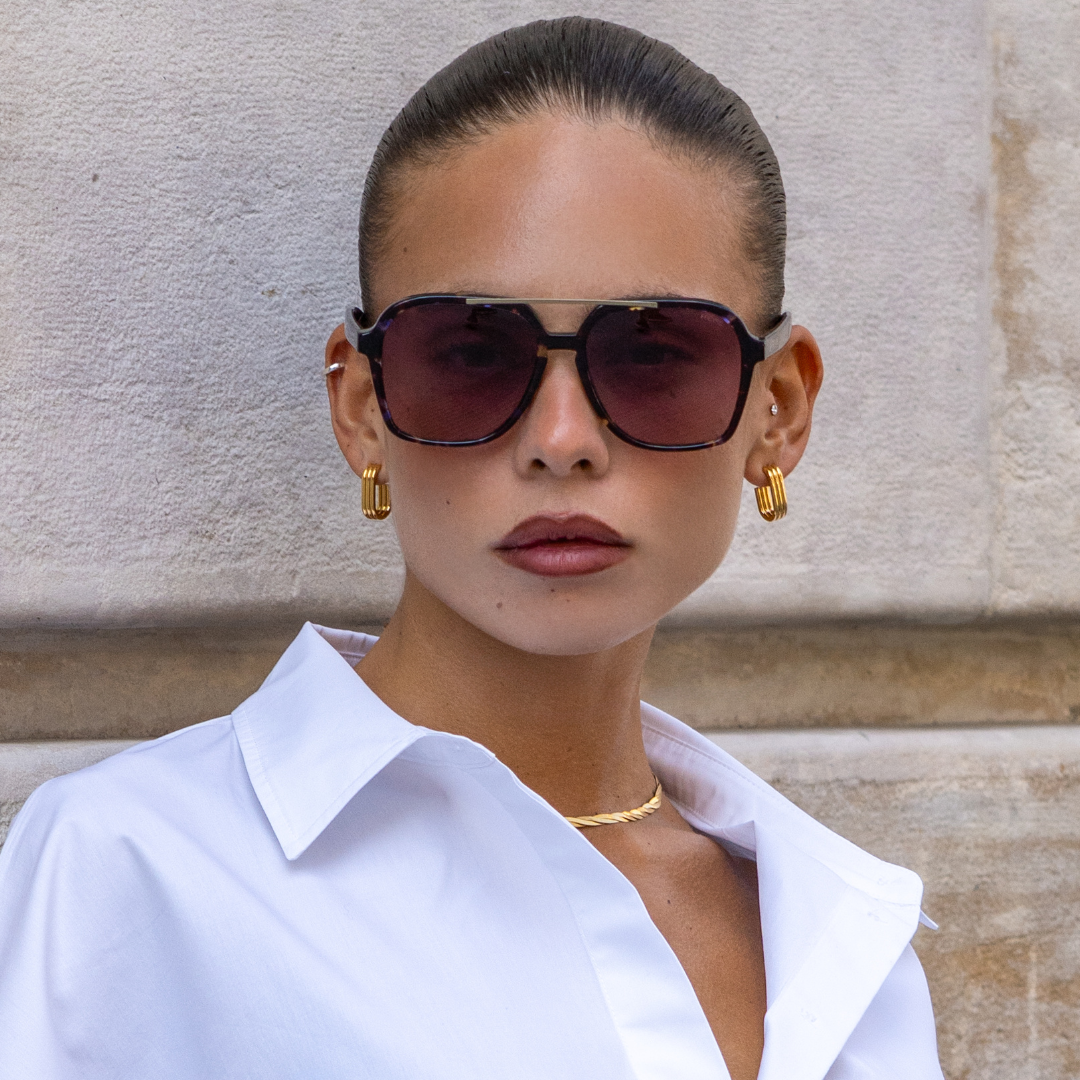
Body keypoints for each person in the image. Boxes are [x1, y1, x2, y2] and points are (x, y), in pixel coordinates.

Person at [0, 17, 943, 1080]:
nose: (561, 441)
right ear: (362, 408)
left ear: (778, 411)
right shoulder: (129, 874)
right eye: (469, 354)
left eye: (653, 356)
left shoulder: (846, 942)